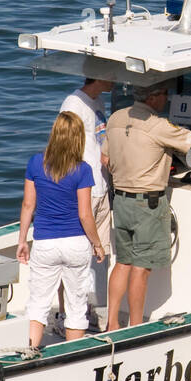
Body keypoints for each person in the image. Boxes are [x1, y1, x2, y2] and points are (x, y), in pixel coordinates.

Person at [104, 82, 191, 329]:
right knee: (141, 268)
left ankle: (112, 323)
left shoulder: (116, 118)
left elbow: (106, 157)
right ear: (153, 98)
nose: (167, 98)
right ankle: (136, 326)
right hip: (147, 204)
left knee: (123, 262)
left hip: (120, 200)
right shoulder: (158, 125)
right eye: (164, 94)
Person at [16, 112, 106, 347]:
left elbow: (28, 205)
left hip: (45, 243)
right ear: (78, 139)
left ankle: (30, 353)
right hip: (76, 244)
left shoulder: (36, 163)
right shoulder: (83, 170)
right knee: (76, 306)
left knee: (38, 304)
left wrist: (22, 240)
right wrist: (97, 244)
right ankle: (72, 357)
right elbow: (85, 215)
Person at [59, 73, 114, 328]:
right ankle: (64, 313)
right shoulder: (74, 103)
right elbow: (64, 146)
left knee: (98, 254)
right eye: (110, 75)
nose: (115, 80)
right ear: (97, 78)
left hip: (101, 187)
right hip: (84, 189)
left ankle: (87, 309)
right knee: (76, 256)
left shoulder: (98, 102)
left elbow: (100, 140)